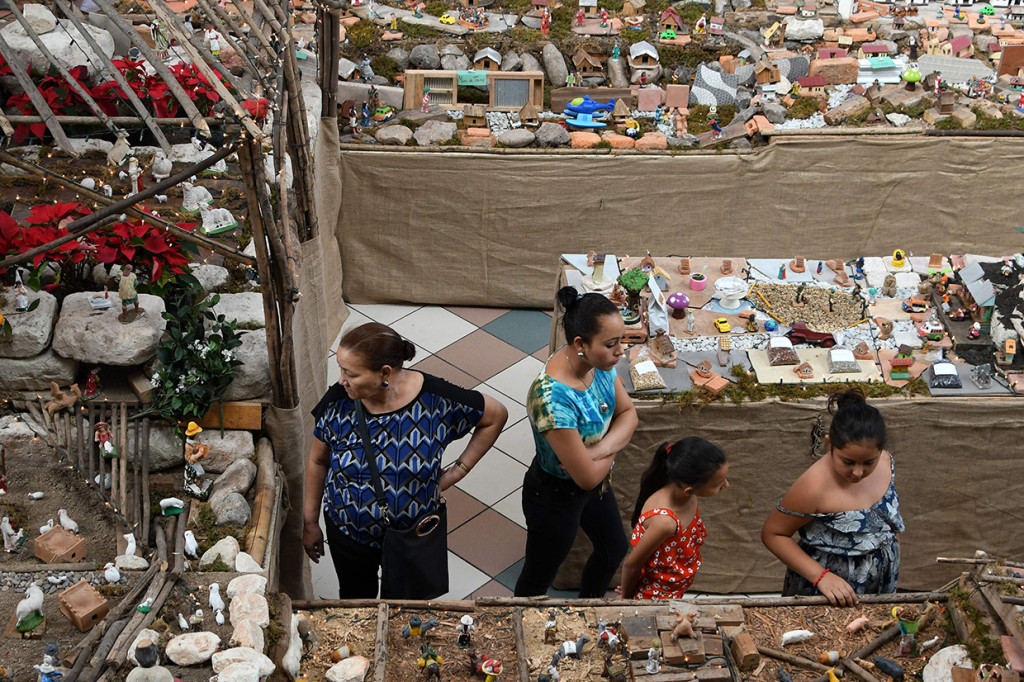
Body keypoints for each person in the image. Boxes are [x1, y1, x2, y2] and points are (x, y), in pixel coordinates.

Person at [303, 322, 508, 598]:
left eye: (350, 373)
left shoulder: (436, 401)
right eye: (341, 370)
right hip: (349, 532)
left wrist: (457, 472)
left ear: (384, 372)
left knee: (404, 608)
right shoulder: (338, 402)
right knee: (355, 601)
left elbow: (496, 415)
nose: (341, 380)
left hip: (411, 535)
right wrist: (310, 523)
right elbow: (318, 462)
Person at [514, 287, 638, 597]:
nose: (620, 351)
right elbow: (585, 477)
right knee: (538, 576)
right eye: (611, 344)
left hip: (594, 487)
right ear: (580, 344)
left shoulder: (600, 365)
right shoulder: (552, 399)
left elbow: (629, 414)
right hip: (554, 495)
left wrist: (597, 450)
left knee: (614, 549)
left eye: (621, 341)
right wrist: (613, 445)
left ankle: (589, 608)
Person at [761, 389, 904, 606]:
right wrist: (821, 576)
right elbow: (773, 534)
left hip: (881, 582)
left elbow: (889, 518)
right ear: (830, 444)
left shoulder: (885, 462)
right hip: (828, 592)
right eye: (848, 462)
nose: (858, 472)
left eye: (868, 462)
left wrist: (892, 551)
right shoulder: (813, 486)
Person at [619, 438, 729, 600]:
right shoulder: (664, 522)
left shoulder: (689, 496)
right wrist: (626, 600)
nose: (726, 485)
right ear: (689, 489)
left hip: (672, 588)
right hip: (653, 596)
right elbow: (632, 564)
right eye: (718, 483)